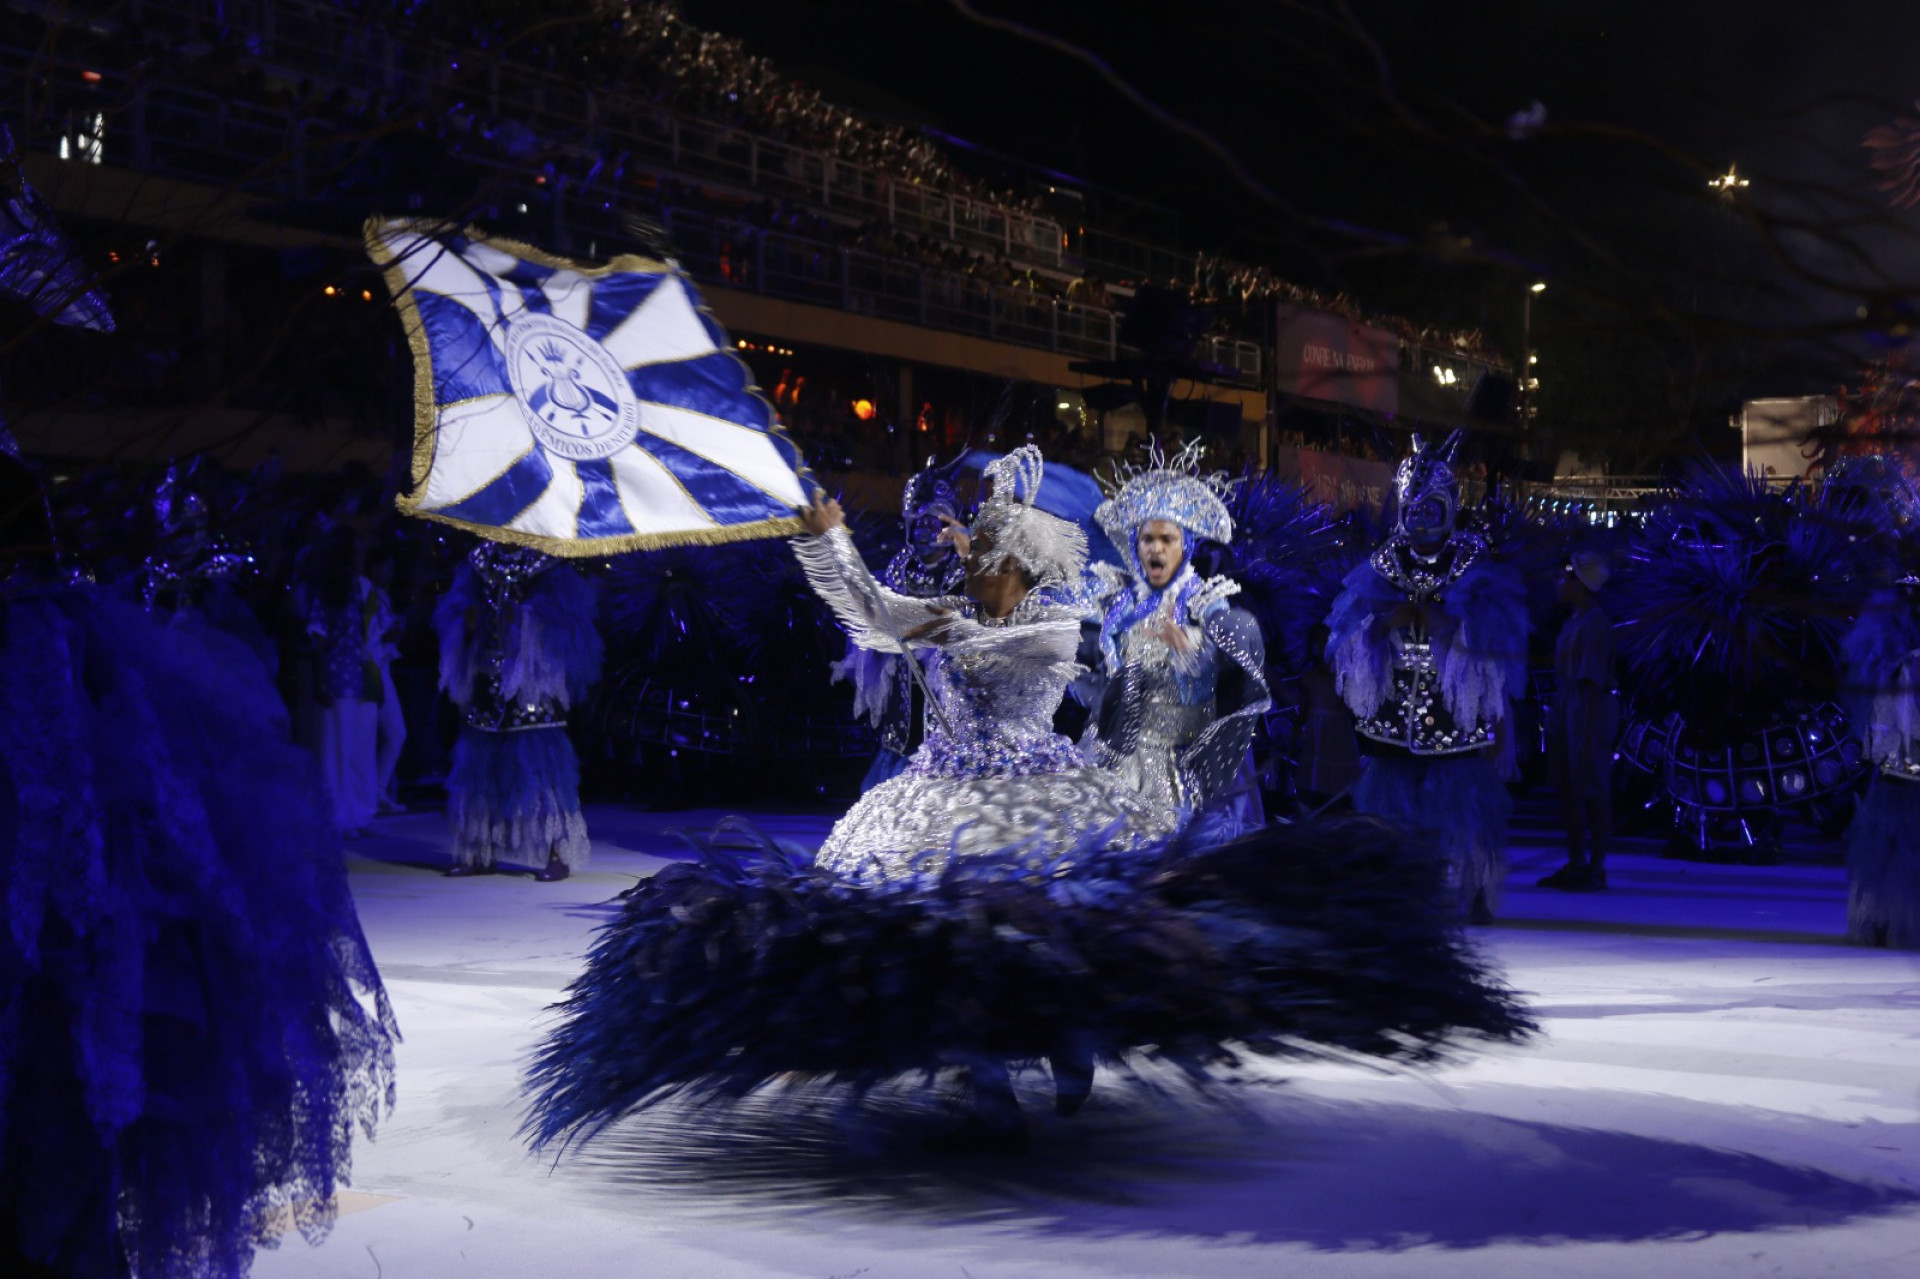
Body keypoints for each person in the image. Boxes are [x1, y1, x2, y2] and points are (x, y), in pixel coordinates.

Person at [1, 450, 395, 1278]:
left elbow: (63, 799)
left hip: (62, 962)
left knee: (55, 1159)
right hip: (80, 959)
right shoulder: (88, 633)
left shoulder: (52, 638)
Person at [799, 446, 1177, 883]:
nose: (965, 556)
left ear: (1011, 563)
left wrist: (942, 628)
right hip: (943, 784)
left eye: (975, 548)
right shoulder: (958, 613)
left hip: (1032, 798)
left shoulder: (1054, 628)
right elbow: (875, 608)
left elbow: (990, 641)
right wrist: (832, 541)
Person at [1325, 432, 1528, 924]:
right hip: (1395, 717)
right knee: (1392, 810)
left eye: (1431, 508)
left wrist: (1455, 630)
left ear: (1449, 507)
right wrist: (1383, 627)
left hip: (1453, 717)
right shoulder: (1381, 565)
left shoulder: (1474, 566)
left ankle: (1476, 893)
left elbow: (1501, 642)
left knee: (1465, 810)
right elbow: (1347, 637)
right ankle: (1400, 890)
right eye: (1413, 508)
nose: (1421, 519)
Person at [1078, 442, 1270, 843]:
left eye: (1167, 538)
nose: (1156, 548)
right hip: (1119, 755)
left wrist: (1191, 648)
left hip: (1183, 765)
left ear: (1185, 547)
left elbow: (1236, 647)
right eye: (1148, 538)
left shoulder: (1204, 600)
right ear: (1136, 544)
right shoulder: (1118, 601)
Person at [437, 541, 602, 881]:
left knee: (541, 768)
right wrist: (465, 620)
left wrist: (528, 620)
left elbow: (569, 622)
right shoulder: (479, 559)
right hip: (487, 675)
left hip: (532, 680)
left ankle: (557, 852)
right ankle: (477, 851)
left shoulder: (548, 564)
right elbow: (455, 607)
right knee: (478, 769)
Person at [831, 457, 967, 792]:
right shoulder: (894, 575)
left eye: (931, 522)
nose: (923, 530)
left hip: (952, 702)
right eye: (916, 522)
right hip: (904, 704)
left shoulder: (966, 575)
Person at [1840, 577, 1920, 947]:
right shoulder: (1891, 652)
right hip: (1900, 770)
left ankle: (1888, 921)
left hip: (1899, 768)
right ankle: (1887, 920)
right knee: (1894, 840)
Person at [1538, 550, 1620, 891]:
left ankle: (1595, 867)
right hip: (1569, 705)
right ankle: (1577, 862)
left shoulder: (1594, 625)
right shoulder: (1576, 620)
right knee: (1568, 789)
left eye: (1566, 577)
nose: (1560, 583)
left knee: (1592, 788)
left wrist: (1584, 731)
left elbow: (1591, 680)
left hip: (1587, 710)